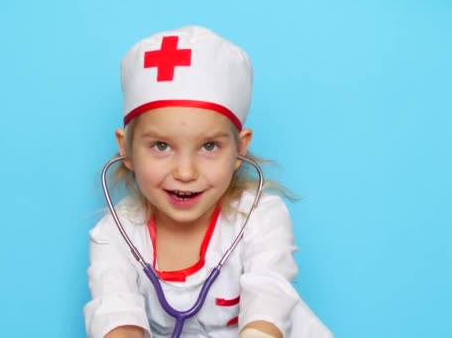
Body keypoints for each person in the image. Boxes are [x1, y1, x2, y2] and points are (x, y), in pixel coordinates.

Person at [84, 26, 332, 338]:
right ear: (126, 149)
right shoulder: (114, 235)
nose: (185, 173)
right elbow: (114, 315)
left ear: (239, 149)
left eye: (209, 146)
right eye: (161, 146)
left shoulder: (261, 218)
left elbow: (269, 300)